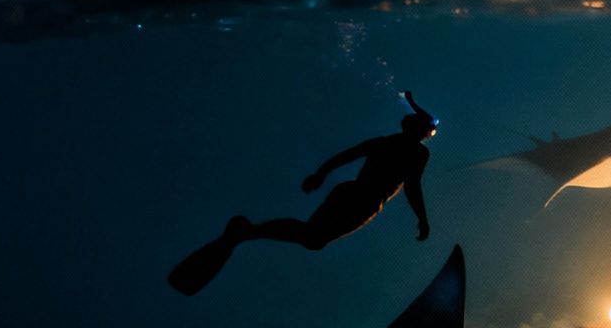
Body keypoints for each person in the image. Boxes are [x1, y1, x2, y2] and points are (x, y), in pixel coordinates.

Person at [168, 92, 438, 295]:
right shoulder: (417, 152)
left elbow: (346, 155)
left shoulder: (385, 142)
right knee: (312, 238)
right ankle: (246, 232)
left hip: (348, 192)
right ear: (423, 131)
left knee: (312, 236)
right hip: (363, 201)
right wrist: (422, 219)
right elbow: (412, 185)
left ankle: (247, 232)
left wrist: (321, 174)